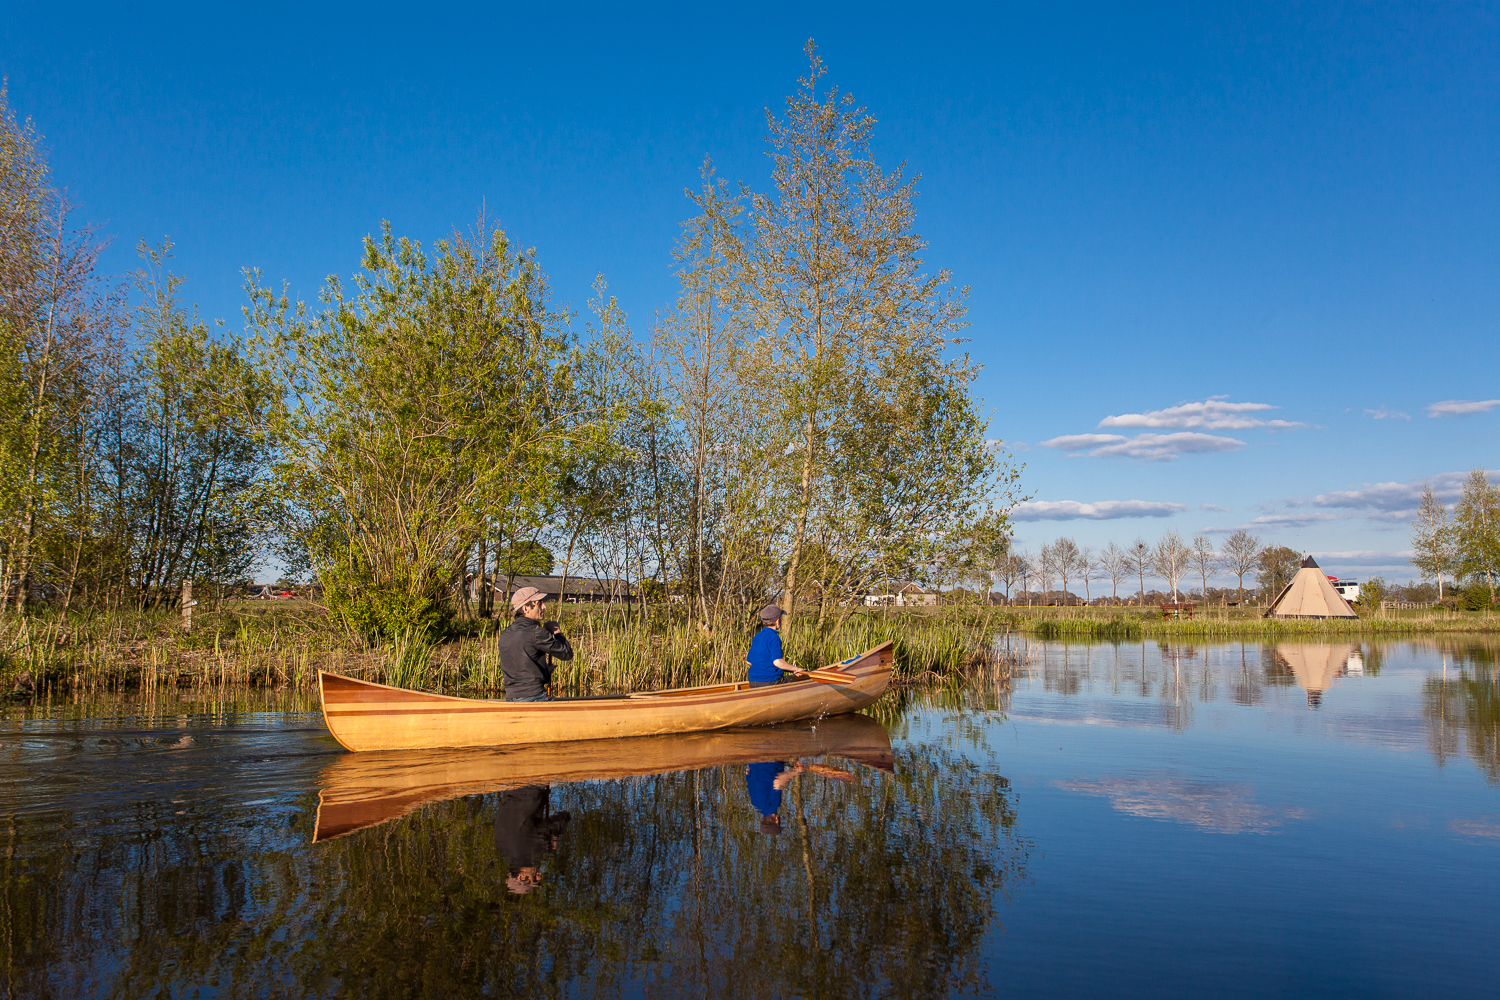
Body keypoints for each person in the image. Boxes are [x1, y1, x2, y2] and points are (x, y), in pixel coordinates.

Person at [498, 586, 573, 701]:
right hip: (534, 697)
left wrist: (543, 670)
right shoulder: (536, 632)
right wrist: (557, 632)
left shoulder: (506, 633)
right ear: (525, 609)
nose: (544, 606)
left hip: (511, 698)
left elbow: (519, 668)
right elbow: (566, 654)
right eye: (539, 604)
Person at [494, 785, 571, 895]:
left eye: (533, 879)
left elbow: (562, 818)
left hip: (533, 786)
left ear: (521, 876)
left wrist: (555, 836)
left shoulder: (530, 855)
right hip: (510, 787)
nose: (539, 876)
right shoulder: (503, 847)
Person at [745, 604, 806, 687]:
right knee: (800, 686)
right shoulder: (774, 638)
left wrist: (790, 670)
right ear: (777, 621)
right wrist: (796, 669)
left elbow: (749, 661)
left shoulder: (757, 636)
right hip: (770, 682)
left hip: (752, 683)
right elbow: (777, 662)